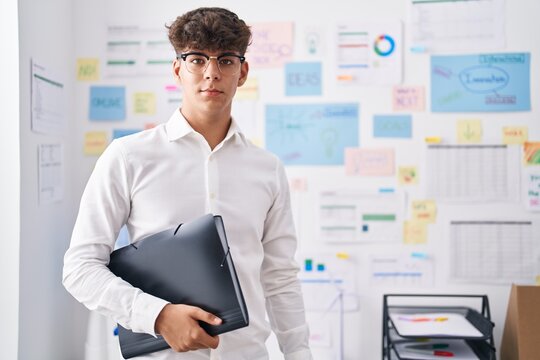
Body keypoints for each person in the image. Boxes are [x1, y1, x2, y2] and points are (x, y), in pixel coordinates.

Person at [63, 7, 312, 360]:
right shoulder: (127, 156)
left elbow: (280, 278)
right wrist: (158, 316)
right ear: (178, 69)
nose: (211, 73)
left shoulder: (267, 169)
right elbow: (80, 268)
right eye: (197, 59)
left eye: (225, 60)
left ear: (242, 72)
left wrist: (299, 354)